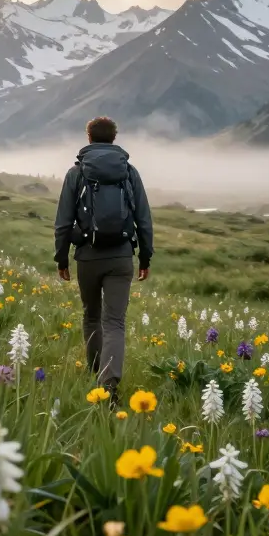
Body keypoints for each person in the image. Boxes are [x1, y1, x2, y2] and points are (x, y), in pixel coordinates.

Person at [54, 116, 153, 398]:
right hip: (122, 257)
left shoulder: (76, 173)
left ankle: (96, 373)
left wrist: (61, 259)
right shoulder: (129, 172)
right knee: (115, 322)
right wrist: (145, 259)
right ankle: (109, 384)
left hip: (87, 257)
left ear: (89, 138)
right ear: (114, 138)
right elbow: (144, 220)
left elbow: (62, 223)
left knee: (91, 317)